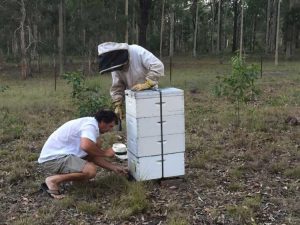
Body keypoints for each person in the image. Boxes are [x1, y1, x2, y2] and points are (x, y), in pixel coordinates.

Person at [38, 110, 128, 199]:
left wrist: (114, 167)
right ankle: (53, 181)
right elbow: (86, 146)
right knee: (90, 170)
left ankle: (77, 180)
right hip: (53, 159)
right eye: (110, 126)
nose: (110, 130)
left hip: (61, 156)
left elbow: (92, 155)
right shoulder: (90, 126)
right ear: (103, 122)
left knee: (96, 144)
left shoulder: (91, 124)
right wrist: (105, 153)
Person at [97, 42, 164, 119]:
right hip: (132, 96)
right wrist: (117, 103)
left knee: (151, 120)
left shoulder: (137, 51)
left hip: (150, 93)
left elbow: (158, 65)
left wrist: (148, 83)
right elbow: (117, 85)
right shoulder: (115, 64)